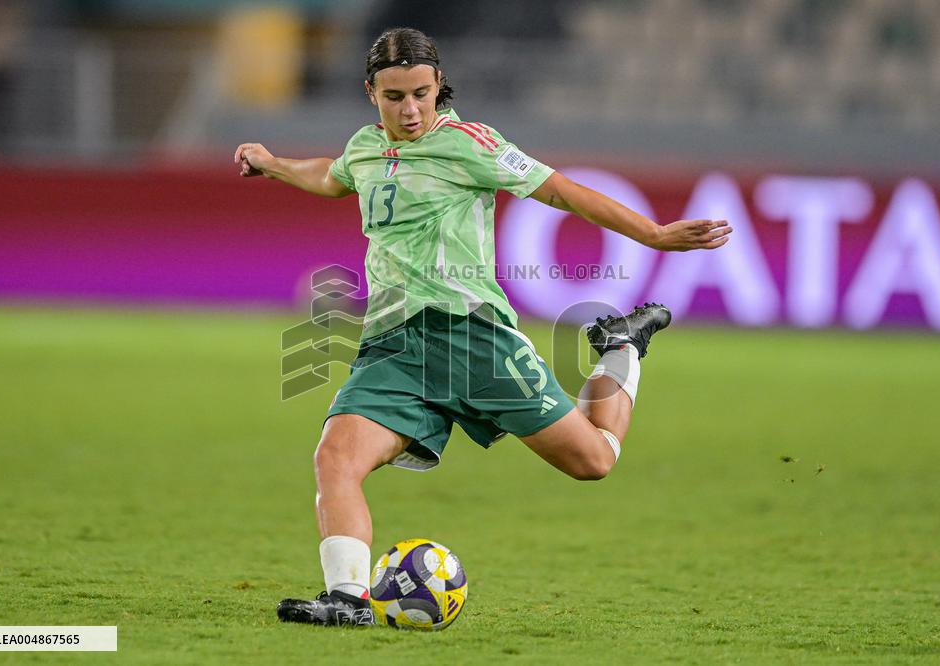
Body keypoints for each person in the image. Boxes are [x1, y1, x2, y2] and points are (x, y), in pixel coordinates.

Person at [234, 27, 731, 627]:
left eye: (421, 93)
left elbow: (562, 191)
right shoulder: (365, 148)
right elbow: (333, 177)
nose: (410, 109)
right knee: (335, 457)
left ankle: (621, 346)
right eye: (395, 97)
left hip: (473, 337)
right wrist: (273, 164)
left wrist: (653, 233)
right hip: (392, 346)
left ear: (438, 85)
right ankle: (347, 599)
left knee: (593, 460)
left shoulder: (472, 143)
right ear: (371, 93)